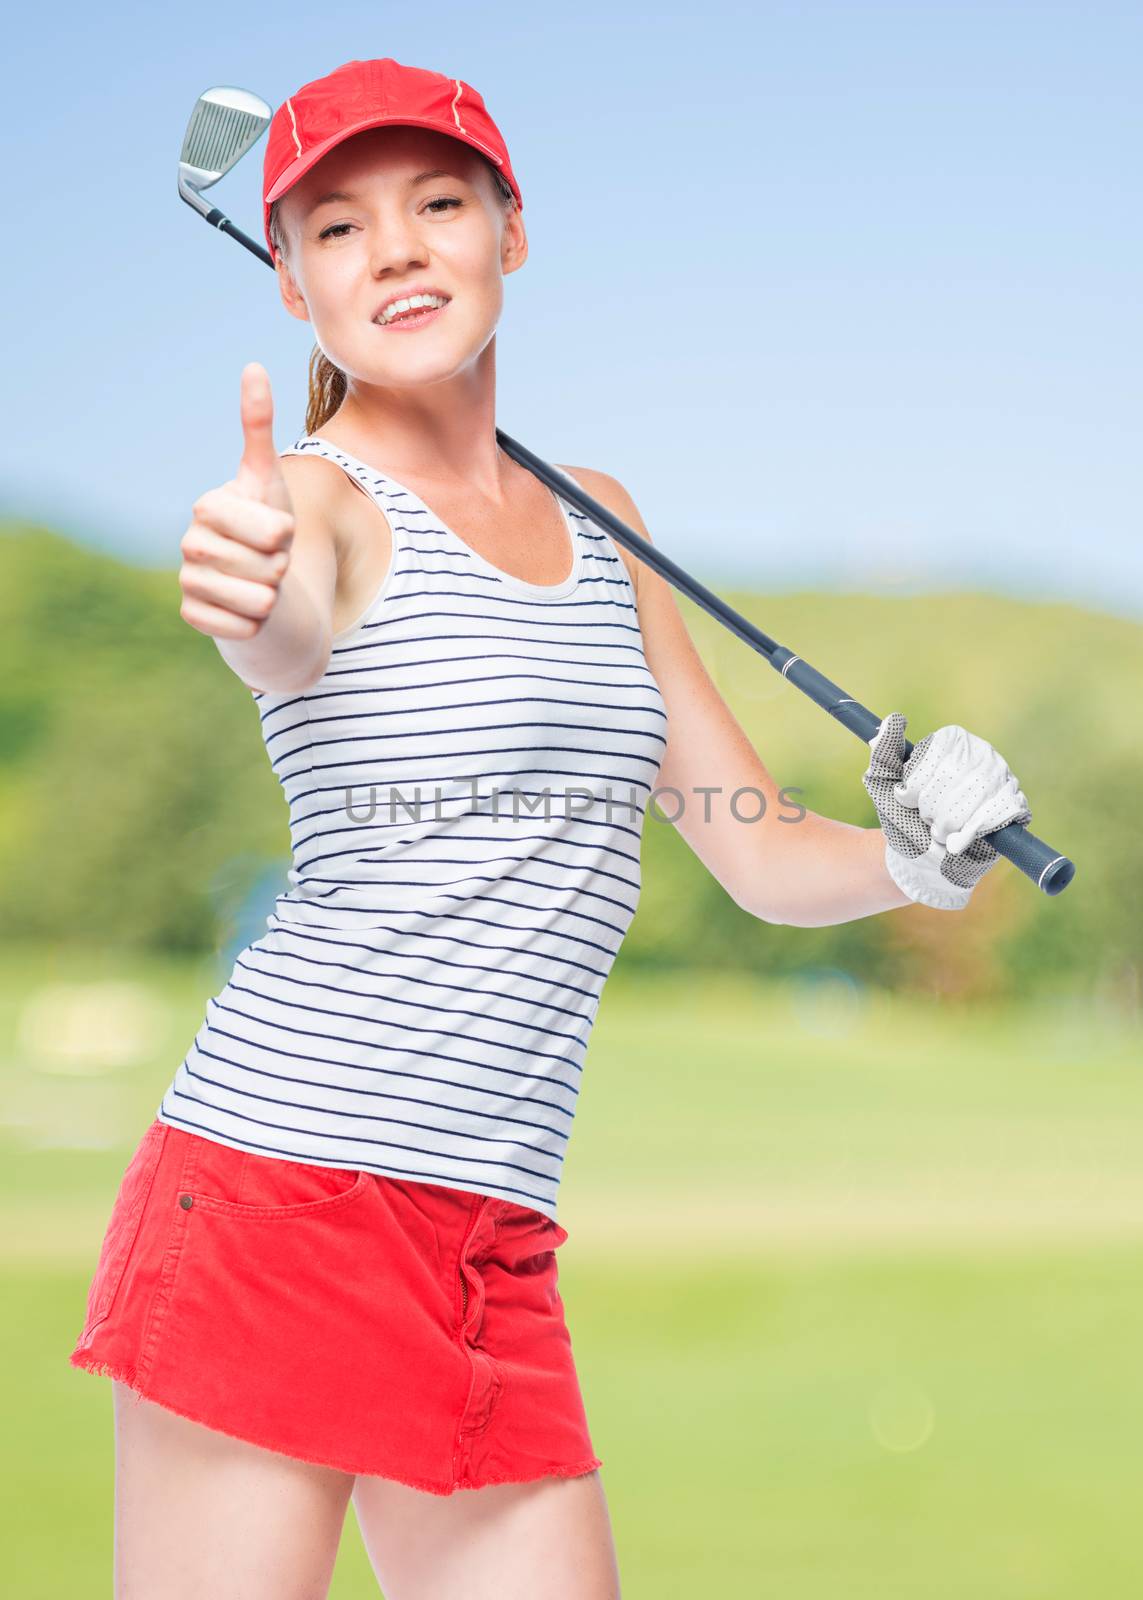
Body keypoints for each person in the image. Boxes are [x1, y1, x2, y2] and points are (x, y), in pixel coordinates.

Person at [68, 55, 1032, 1600]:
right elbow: (284, 620)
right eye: (337, 227)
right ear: (293, 286)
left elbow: (752, 840)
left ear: (511, 232)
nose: (394, 249)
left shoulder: (606, 519)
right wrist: (248, 591)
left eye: (437, 204)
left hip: (488, 1237)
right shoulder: (313, 506)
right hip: (280, 1196)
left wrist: (915, 856)